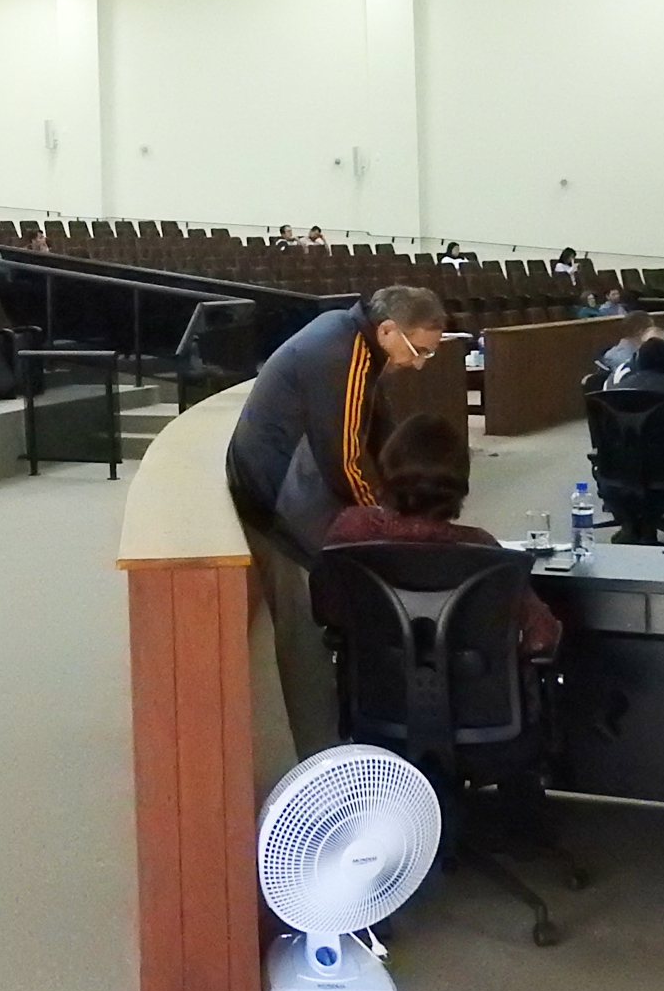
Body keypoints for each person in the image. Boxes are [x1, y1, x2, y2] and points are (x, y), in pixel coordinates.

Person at [228, 285, 451, 752]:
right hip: (279, 504)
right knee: (305, 630)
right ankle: (322, 753)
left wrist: (400, 498)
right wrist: (381, 519)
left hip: (286, 485)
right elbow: (343, 460)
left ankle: (353, 726)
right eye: (419, 351)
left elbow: (380, 427)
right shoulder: (340, 355)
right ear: (388, 330)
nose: (419, 364)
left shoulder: (356, 339)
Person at [325, 413, 563, 655]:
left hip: (373, 677)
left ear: (387, 471)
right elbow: (543, 637)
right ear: (459, 483)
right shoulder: (484, 550)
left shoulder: (352, 529)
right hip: (468, 678)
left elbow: (327, 611)